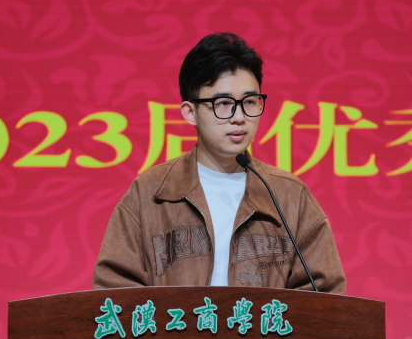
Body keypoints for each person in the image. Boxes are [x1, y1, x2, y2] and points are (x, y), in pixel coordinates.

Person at [93, 33, 346, 293]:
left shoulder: (290, 196)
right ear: (190, 112)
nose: (239, 117)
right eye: (223, 103)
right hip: (178, 322)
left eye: (249, 102)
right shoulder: (150, 193)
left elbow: (325, 294)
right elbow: (113, 290)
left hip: (256, 322)